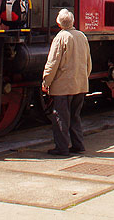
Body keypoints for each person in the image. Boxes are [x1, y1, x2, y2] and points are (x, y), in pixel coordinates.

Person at [42, 9, 92, 156]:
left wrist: (46, 81)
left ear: (58, 23)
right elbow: (88, 62)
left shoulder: (60, 38)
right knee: (75, 116)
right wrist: (83, 78)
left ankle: (62, 148)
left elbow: (52, 63)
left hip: (63, 87)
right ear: (73, 21)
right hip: (80, 84)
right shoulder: (82, 36)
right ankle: (78, 145)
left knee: (60, 117)